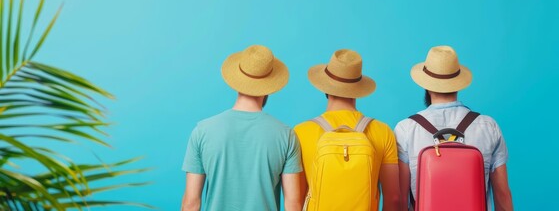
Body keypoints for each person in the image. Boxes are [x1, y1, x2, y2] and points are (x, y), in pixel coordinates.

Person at [181, 45, 303, 211]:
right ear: (269, 87)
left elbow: (191, 203)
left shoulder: (202, 131)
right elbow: (293, 204)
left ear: (237, 81)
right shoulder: (286, 136)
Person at [395, 46, 513, 211]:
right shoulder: (488, 126)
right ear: (458, 84)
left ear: (426, 86)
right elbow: (502, 195)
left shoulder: (406, 129)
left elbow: (400, 198)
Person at [294, 49, 400, 211]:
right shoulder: (383, 131)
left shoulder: (301, 132)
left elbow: (299, 197)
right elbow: (393, 198)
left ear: (325, 88)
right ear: (358, 90)